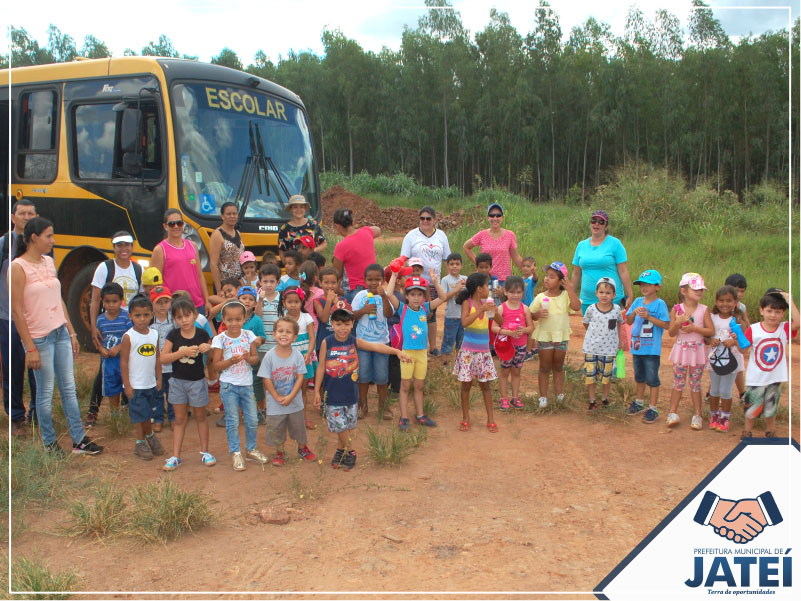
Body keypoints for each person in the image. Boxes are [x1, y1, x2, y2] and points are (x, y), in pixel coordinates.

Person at [9, 217, 102, 455]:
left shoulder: (49, 262)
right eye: (48, 236)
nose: (53, 240)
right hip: (39, 338)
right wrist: (29, 347)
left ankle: (78, 440)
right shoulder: (18, 268)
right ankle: (50, 443)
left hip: (59, 332)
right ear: (34, 238)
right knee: (45, 391)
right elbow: (17, 310)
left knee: (68, 388)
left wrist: (70, 331)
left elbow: (57, 299)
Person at [314, 308, 411, 470]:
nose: (342, 328)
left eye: (346, 324)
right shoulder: (327, 342)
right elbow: (321, 367)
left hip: (351, 394)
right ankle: (351, 451)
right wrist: (317, 390)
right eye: (338, 324)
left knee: (347, 426)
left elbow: (376, 347)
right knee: (340, 425)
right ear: (332, 324)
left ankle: (340, 451)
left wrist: (396, 351)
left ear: (352, 324)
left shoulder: (354, 341)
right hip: (332, 395)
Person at [159, 296, 215, 471]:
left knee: (200, 416)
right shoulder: (173, 335)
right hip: (177, 382)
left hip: (197, 382)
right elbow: (163, 358)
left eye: (187, 315)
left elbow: (213, 348)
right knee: (180, 419)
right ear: (174, 319)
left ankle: (205, 452)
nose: (184, 320)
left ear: (194, 315)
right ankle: (176, 456)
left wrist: (209, 347)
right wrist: (180, 352)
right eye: (179, 317)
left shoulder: (202, 334)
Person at [211, 301, 268, 471]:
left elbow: (254, 359)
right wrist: (230, 361)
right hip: (229, 386)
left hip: (247, 385)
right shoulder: (219, 339)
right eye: (230, 320)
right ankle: (236, 452)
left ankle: (250, 449)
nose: (234, 323)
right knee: (233, 420)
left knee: (252, 419)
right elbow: (216, 365)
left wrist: (247, 358)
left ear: (244, 319)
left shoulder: (248, 335)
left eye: (238, 319)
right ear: (223, 320)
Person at [387, 273, 446, 432]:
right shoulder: (402, 308)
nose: (416, 298)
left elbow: (442, 297)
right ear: (406, 295)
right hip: (407, 353)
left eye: (420, 294)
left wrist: (435, 281)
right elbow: (389, 294)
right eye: (412, 294)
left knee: (419, 386)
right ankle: (404, 417)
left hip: (421, 354)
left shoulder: (426, 308)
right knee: (405, 386)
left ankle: (420, 415)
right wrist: (393, 274)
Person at [258, 316, 318, 466]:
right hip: (275, 403)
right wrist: (277, 396)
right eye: (280, 331)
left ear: (295, 337)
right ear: (274, 334)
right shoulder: (269, 356)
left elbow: (300, 377)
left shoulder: (297, 355)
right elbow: (266, 379)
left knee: (298, 426)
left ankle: (302, 448)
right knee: (277, 428)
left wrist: (291, 396)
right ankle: (280, 452)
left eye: (288, 332)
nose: (284, 334)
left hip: (295, 401)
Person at [1, 199, 38, 434]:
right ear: (13, 217)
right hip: (8, 318)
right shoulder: (4, 244)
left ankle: (37, 413)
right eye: (21, 213)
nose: (26, 216)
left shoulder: (42, 245)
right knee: (13, 368)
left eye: (30, 213)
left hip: (36, 319)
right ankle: (16, 417)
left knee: (38, 369)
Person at [741, 290, 799, 439]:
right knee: (751, 408)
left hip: (775, 378)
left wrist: (790, 301)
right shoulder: (754, 329)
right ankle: (747, 432)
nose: (773, 315)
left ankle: (770, 431)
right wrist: (738, 339)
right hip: (756, 378)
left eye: (778, 312)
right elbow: (743, 349)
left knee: (771, 408)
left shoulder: (784, 329)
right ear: (762, 310)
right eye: (769, 311)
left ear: (783, 313)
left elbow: (798, 323)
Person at [351, 263, 401, 420]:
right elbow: (351, 317)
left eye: (377, 279)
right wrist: (363, 310)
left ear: (383, 281)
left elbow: (388, 314)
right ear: (365, 280)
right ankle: (362, 405)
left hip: (382, 344)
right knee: (363, 376)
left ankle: (383, 407)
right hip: (363, 343)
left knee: (381, 377)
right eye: (370, 279)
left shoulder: (387, 294)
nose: (373, 283)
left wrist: (384, 296)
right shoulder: (360, 296)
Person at [666, 273, 715, 430]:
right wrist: (678, 322)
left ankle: (698, 414)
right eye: (696, 289)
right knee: (678, 382)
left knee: (696, 383)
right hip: (681, 349)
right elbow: (671, 333)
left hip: (697, 350)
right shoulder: (676, 309)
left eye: (701, 289)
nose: (700, 292)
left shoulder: (704, 309)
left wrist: (694, 328)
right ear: (684, 291)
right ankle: (672, 412)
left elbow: (710, 330)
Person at [120, 294, 165, 460]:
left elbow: (157, 358)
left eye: (146, 315)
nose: (142, 319)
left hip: (150, 383)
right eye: (137, 315)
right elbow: (124, 363)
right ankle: (140, 442)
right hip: (135, 385)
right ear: (130, 316)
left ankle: (149, 435)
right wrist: (127, 385)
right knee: (141, 416)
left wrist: (159, 378)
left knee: (147, 413)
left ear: (151, 314)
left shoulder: (154, 334)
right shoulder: (128, 337)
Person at [530, 262, 581, 408]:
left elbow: (576, 307)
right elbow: (532, 315)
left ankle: (559, 395)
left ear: (561, 281)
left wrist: (570, 289)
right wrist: (537, 314)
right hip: (544, 337)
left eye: (551, 277)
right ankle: (543, 397)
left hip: (561, 337)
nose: (546, 279)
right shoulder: (540, 297)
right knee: (544, 367)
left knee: (558, 366)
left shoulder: (566, 296)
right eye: (546, 275)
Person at [453, 272, 499, 432]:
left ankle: (491, 418)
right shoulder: (468, 302)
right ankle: (465, 417)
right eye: (487, 286)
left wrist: (494, 310)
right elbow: (465, 322)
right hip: (468, 352)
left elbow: (500, 321)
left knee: (485, 386)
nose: (489, 289)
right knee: (466, 386)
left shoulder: (488, 302)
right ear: (479, 289)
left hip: (483, 353)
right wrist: (481, 310)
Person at [401, 206, 452, 352]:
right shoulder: (411, 236)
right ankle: (413, 345)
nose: (425, 221)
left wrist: (448, 281)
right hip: (414, 284)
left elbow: (447, 259)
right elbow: (404, 258)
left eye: (428, 218)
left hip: (434, 283)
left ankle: (433, 347)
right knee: (414, 314)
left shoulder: (441, 236)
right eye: (422, 218)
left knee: (431, 314)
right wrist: (403, 281)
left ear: (434, 220)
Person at [625, 270, 670, 424]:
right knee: (639, 376)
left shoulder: (660, 304)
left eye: (648, 284)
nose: (644, 287)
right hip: (637, 347)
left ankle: (653, 408)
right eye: (642, 284)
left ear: (657, 287)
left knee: (652, 378)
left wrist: (649, 317)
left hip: (651, 348)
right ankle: (639, 402)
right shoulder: (637, 301)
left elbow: (666, 324)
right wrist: (634, 313)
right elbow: (629, 321)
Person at [570, 210, 633, 314]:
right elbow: (576, 273)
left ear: (606, 226)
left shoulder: (615, 244)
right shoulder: (581, 245)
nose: (596, 224)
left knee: (611, 330)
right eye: (593, 221)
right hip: (587, 299)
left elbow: (623, 271)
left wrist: (630, 295)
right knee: (590, 329)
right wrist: (571, 295)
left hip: (611, 299)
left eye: (601, 222)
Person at [151, 208, 211, 316]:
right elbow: (155, 283)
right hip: (174, 306)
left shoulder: (193, 245)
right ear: (165, 226)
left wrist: (206, 301)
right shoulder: (160, 249)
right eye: (171, 224)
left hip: (197, 304)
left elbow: (200, 276)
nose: (176, 227)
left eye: (179, 223)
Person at [87, 283, 131, 427]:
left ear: (121, 300)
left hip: (126, 361)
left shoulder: (127, 317)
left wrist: (119, 347)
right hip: (108, 363)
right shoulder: (100, 320)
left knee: (126, 387)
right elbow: (98, 340)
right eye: (107, 302)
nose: (111, 305)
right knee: (112, 388)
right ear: (102, 301)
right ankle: (114, 416)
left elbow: (133, 336)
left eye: (114, 301)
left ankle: (127, 413)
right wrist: (101, 349)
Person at [707, 285, 747, 434]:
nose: (725, 304)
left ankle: (725, 417)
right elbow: (706, 337)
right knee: (714, 389)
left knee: (725, 390)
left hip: (732, 361)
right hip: (714, 359)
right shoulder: (712, 318)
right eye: (721, 300)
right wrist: (712, 340)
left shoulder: (738, 321)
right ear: (716, 302)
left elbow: (744, 345)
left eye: (729, 301)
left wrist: (734, 342)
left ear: (735, 302)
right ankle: (714, 415)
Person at [581, 277, 625, 411]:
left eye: (608, 293)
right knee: (591, 376)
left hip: (609, 349)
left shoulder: (616, 309)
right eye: (601, 292)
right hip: (591, 348)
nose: (604, 295)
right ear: (596, 293)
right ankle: (592, 400)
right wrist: (593, 336)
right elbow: (586, 323)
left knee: (607, 376)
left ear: (614, 295)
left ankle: (605, 399)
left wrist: (619, 341)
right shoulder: (591, 309)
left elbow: (619, 324)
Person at [493, 276, 534, 411]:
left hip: (520, 346)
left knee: (516, 372)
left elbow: (531, 328)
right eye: (512, 292)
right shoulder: (501, 308)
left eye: (518, 292)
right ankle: (504, 398)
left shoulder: (525, 309)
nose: (515, 295)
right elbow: (493, 327)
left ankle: (515, 397)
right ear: (505, 292)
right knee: (504, 372)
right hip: (506, 347)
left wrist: (524, 330)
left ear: (523, 292)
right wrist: (507, 332)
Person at [279, 286, 316, 429]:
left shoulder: (307, 318)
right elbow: (280, 339)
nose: (293, 305)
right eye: (290, 302)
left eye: (296, 302)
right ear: (284, 303)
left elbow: (312, 339)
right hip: (287, 360)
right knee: (287, 388)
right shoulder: (282, 319)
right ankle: (288, 418)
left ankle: (303, 418)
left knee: (303, 389)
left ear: (301, 302)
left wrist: (308, 354)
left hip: (304, 359)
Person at [463, 203, 524, 286]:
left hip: (504, 280)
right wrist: (479, 264)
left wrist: (527, 269)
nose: (495, 218)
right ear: (488, 218)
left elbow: (516, 257)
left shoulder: (510, 235)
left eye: (498, 215)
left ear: (502, 218)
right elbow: (466, 247)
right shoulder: (482, 234)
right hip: (485, 279)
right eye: (492, 215)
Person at [331, 208, 381, 302]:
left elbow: (337, 274)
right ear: (352, 222)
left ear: (337, 226)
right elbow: (378, 230)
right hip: (373, 286)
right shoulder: (367, 232)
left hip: (354, 291)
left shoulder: (341, 246)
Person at [256, 263, 282, 422]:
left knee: (276, 378)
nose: (268, 285)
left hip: (278, 346)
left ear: (278, 282)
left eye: (272, 281)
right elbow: (257, 317)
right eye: (265, 281)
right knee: (262, 378)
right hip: (262, 346)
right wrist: (259, 301)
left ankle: (275, 407)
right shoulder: (259, 297)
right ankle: (263, 408)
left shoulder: (282, 298)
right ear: (260, 282)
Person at [150, 285, 175, 432]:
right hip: (154, 366)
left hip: (172, 365)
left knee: (172, 393)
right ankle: (158, 418)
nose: (162, 305)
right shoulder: (149, 323)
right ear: (152, 303)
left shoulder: (174, 321)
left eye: (166, 301)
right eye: (158, 302)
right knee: (157, 393)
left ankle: (173, 418)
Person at [208, 201, 245, 293]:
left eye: (234, 214)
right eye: (228, 214)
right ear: (222, 216)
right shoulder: (217, 234)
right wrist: (219, 289)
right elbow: (213, 264)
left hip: (238, 283)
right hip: (224, 283)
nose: (232, 216)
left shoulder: (238, 233)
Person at [278, 194, 327, 261]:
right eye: (295, 207)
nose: (299, 209)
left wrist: (314, 251)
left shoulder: (313, 224)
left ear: (305, 209)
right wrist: (288, 265)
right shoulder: (284, 229)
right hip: (294, 269)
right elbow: (281, 251)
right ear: (291, 209)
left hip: (311, 267)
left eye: (301, 207)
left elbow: (324, 243)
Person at [724, 273, 750, 402]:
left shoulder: (742, 307)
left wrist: (748, 337)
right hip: (723, 341)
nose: (739, 294)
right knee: (720, 366)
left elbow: (746, 323)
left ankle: (742, 393)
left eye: (742, 291)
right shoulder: (722, 304)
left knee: (739, 367)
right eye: (736, 290)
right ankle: (711, 393)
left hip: (736, 342)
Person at [439, 253, 467, 356]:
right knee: (448, 340)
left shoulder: (465, 278)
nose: (454, 266)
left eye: (457, 263)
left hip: (464, 316)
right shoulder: (445, 280)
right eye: (451, 264)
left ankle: (460, 364)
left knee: (462, 341)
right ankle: (445, 365)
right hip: (451, 316)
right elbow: (443, 298)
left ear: (461, 265)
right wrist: (456, 290)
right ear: (447, 265)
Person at [521, 256, 539, 360]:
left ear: (533, 267)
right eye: (523, 266)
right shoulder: (521, 279)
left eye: (528, 266)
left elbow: (536, 279)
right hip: (522, 307)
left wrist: (534, 272)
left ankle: (528, 351)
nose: (525, 268)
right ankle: (534, 348)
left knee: (529, 329)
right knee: (528, 327)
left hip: (529, 308)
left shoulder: (532, 279)